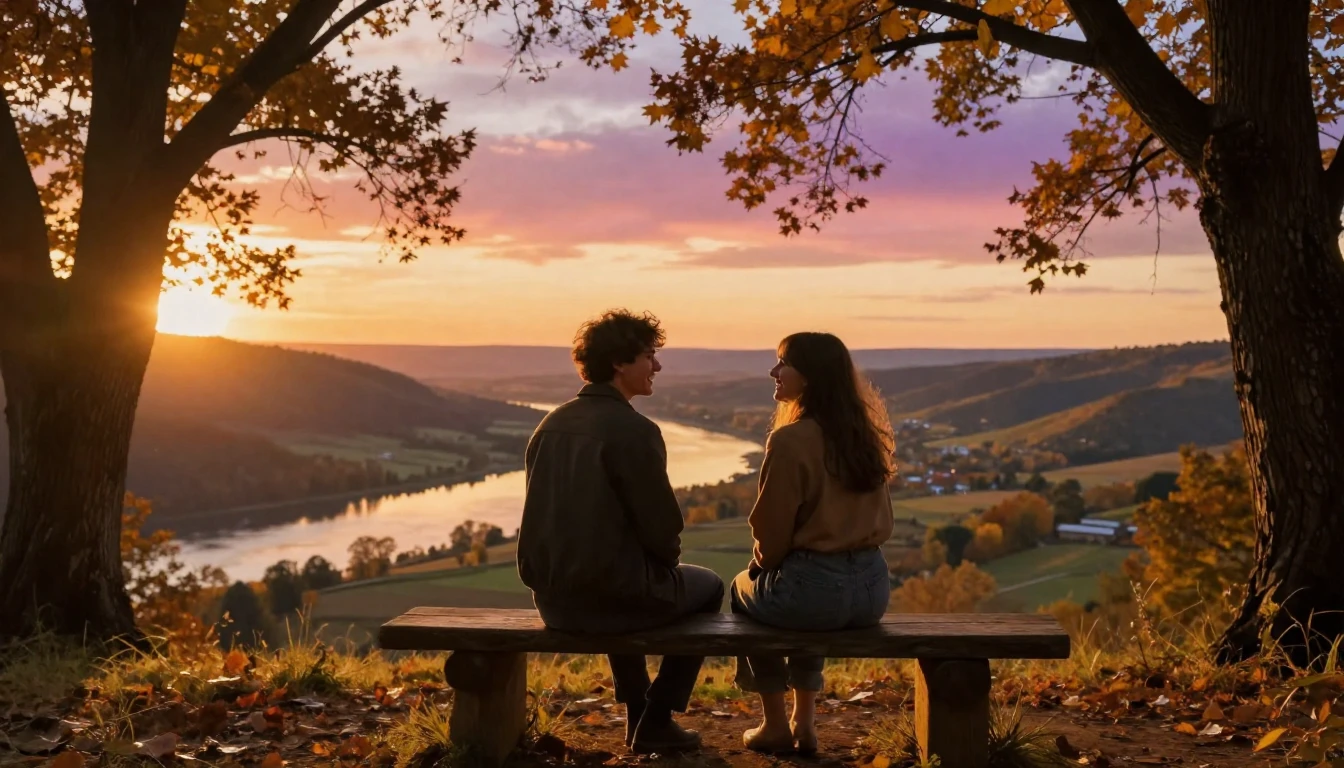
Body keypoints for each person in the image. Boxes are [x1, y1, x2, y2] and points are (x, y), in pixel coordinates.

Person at [516, 309, 725, 755]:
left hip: (554, 604)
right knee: (709, 586)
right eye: (649, 356)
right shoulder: (634, 430)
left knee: (619, 572)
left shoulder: (550, 424)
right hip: (614, 604)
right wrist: (664, 565)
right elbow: (662, 528)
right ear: (618, 363)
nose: (657, 366)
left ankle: (638, 713)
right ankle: (657, 717)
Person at [732, 332, 896, 754]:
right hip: (872, 592)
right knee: (801, 589)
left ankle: (774, 724)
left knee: (743, 592)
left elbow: (770, 532)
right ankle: (803, 723)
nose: (774, 371)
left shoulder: (790, 440)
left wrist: (761, 565)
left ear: (809, 375)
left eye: (783, 362)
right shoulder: (866, 436)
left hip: (815, 592)